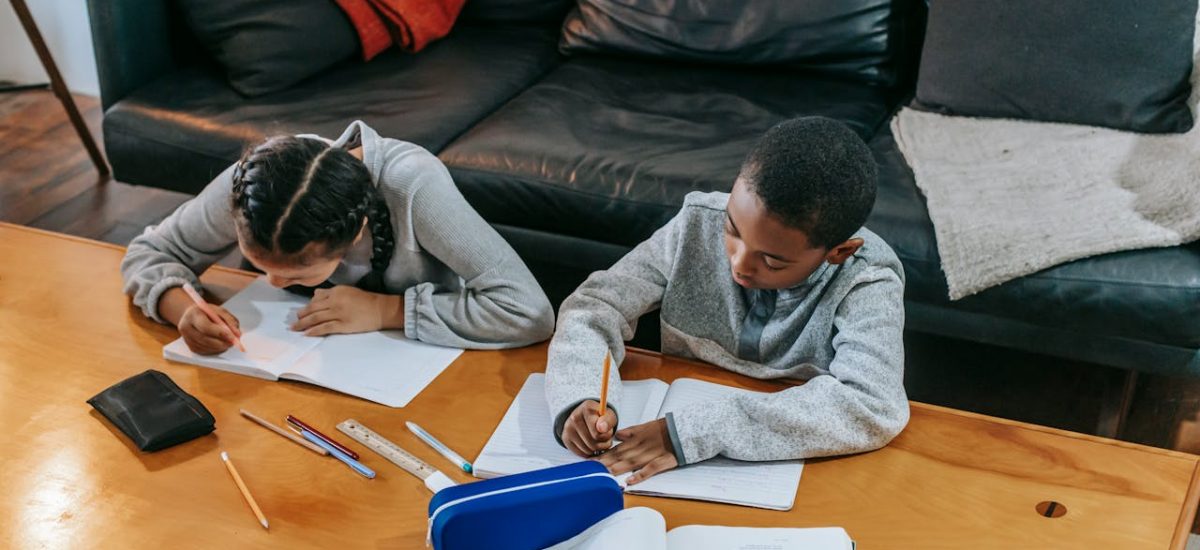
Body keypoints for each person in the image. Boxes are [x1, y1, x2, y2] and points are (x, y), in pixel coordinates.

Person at [545, 117, 909, 484]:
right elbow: (595, 306)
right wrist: (582, 395)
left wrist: (692, 432)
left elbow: (872, 404)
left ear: (839, 252)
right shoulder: (697, 223)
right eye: (732, 229)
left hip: (785, 470)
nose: (738, 263)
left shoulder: (867, 279)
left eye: (772, 260)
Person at [121, 120, 554, 353]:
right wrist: (181, 308)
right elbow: (152, 250)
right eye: (259, 266)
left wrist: (386, 310)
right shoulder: (256, 184)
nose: (270, 284)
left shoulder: (413, 188)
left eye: (295, 274)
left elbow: (528, 311)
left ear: (357, 230)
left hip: (415, 365)